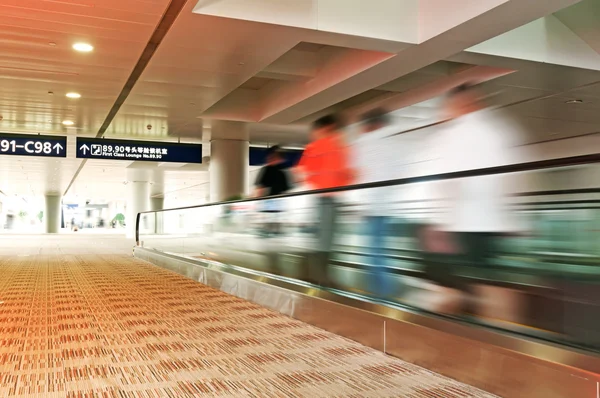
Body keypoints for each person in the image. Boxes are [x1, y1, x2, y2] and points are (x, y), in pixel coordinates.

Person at [421, 82, 519, 315]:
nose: (447, 112)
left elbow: (447, 181)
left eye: (449, 107)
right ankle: (500, 337)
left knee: (452, 283)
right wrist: (512, 219)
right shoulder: (497, 130)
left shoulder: (455, 134)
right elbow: (509, 178)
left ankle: (460, 336)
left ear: (460, 104)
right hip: (488, 222)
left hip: (462, 223)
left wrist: (439, 223)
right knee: (486, 280)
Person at [296, 114, 354, 284]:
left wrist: (315, 181)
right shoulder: (342, 146)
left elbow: (301, 172)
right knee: (327, 239)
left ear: (324, 128)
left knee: (322, 238)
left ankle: (317, 276)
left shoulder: (317, 146)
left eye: (316, 130)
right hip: (332, 198)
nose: (314, 134)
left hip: (322, 198)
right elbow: (349, 174)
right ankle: (320, 276)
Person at [353, 108, 399, 298]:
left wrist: (362, 204)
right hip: (385, 206)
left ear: (370, 125)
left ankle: (378, 294)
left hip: (373, 207)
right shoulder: (392, 142)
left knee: (374, 253)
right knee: (378, 251)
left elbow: (360, 174)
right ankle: (382, 293)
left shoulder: (367, 143)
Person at [254, 145, 291, 236]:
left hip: (272, 204)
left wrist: (257, 200)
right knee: (274, 226)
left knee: (271, 226)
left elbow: (260, 188)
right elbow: (285, 189)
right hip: (275, 204)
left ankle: (270, 234)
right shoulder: (281, 171)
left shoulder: (274, 170)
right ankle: (273, 234)